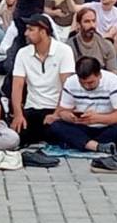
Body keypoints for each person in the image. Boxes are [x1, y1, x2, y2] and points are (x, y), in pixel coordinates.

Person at [6, 14, 75, 147]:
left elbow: (67, 87)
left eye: (31, 30)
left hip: (56, 108)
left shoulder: (64, 51)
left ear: (43, 32)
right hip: (33, 108)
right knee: (16, 135)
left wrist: (56, 114)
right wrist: (18, 115)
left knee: (59, 132)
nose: (26, 33)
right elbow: (17, 86)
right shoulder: (23, 53)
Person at [46, 55, 117, 154]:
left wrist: (98, 118)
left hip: (106, 126)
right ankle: (96, 146)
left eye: (91, 82)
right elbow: (62, 111)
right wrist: (70, 117)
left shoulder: (113, 82)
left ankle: (82, 143)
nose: (86, 86)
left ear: (99, 75)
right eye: (82, 83)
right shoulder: (71, 82)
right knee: (56, 127)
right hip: (81, 127)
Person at [67, 7, 117, 74]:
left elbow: (113, 72)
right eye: (87, 21)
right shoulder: (69, 47)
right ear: (78, 25)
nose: (92, 25)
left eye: (93, 21)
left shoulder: (106, 45)